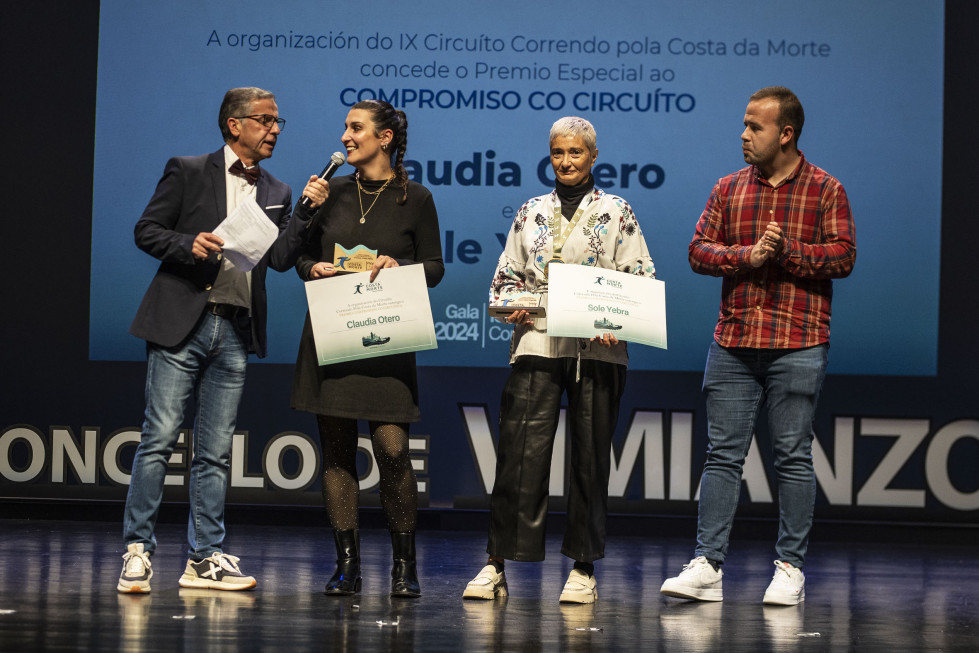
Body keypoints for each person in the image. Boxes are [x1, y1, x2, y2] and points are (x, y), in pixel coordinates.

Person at [118, 87, 329, 593]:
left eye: (279, 121)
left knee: (214, 452)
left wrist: (303, 211)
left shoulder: (276, 188)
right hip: (181, 322)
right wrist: (187, 244)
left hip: (234, 328)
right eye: (266, 120)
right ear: (235, 125)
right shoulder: (188, 170)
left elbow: (278, 260)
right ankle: (137, 552)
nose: (275, 129)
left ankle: (204, 558)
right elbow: (146, 230)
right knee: (159, 439)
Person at [660, 86, 856, 605]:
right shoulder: (729, 188)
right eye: (745, 125)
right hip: (735, 340)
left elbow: (843, 256)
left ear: (786, 133)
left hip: (799, 340)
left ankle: (790, 568)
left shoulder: (825, 189)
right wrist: (745, 256)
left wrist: (788, 252)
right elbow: (698, 250)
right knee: (722, 455)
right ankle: (708, 564)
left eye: (755, 127)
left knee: (792, 455)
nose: (744, 135)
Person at [463, 116, 656, 604]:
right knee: (519, 459)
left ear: (593, 156)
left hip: (599, 350)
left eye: (576, 153)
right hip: (537, 344)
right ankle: (496, 564)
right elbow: (502, 284)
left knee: (590, 460)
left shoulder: (617, 211)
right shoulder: (529, 212)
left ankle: (584, 569)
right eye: (558, 153)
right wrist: (518, 303)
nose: (566, 162)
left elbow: (641, 280)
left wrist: (619, 320)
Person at [291, 99, 444, 598]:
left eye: (355, 128)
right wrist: (311, 268)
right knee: (336, 455)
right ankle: (347, 566)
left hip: (386, 339)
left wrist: (404, 269)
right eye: (344, 128)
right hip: (331, 336)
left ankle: (404, 565)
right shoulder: (329, 194)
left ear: (385, 138)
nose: (344, 137)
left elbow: (436, 268)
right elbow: (301, 256)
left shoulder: (415, 198)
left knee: (392, 450)